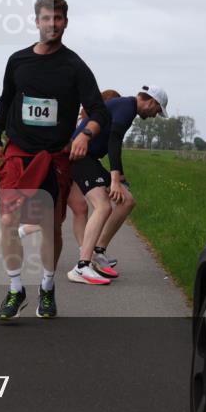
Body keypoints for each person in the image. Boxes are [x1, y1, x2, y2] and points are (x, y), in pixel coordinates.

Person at [0, 0, 109, 320]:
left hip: (55, 156)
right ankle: (15, 289)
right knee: (8, 221)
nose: (52, 24)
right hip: (18, 152)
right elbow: (5, 100)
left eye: (57, 19)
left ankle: (47, 286)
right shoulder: (18, 61)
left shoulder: (74, 66)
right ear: (37, 21)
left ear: (65, 23)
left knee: (50, 227)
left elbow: (99, 110)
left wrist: (84, 134)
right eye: (46, 18)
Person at [67, 85, 168, 282]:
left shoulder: (126, 108)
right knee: (103, 206)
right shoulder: (127, 107)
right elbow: (114, 141)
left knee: (127, 200)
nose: (155, 115)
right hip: (80, 157)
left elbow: (114, 144)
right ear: (151, 102)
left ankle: (98, 251)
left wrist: (119, 176)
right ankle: (82, 267)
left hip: (90, 159)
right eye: (157, 110)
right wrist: (114, 181)